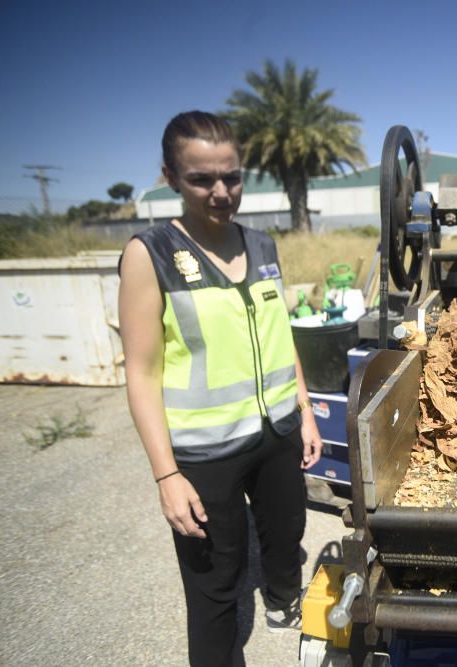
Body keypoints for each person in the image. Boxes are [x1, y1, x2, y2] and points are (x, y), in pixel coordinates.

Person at [118, 110, 322, 666]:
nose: (220, 192)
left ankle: (283, 599)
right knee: (213, 584)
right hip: (204, 454)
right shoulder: (150, 254)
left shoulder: (263, 246)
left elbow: (281, 336)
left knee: (285, 536)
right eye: (201, 179)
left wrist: (303, 411)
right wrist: (166, 475)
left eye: (230, 177)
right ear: (170, 177)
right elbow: (140, 372)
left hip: (277, 433)